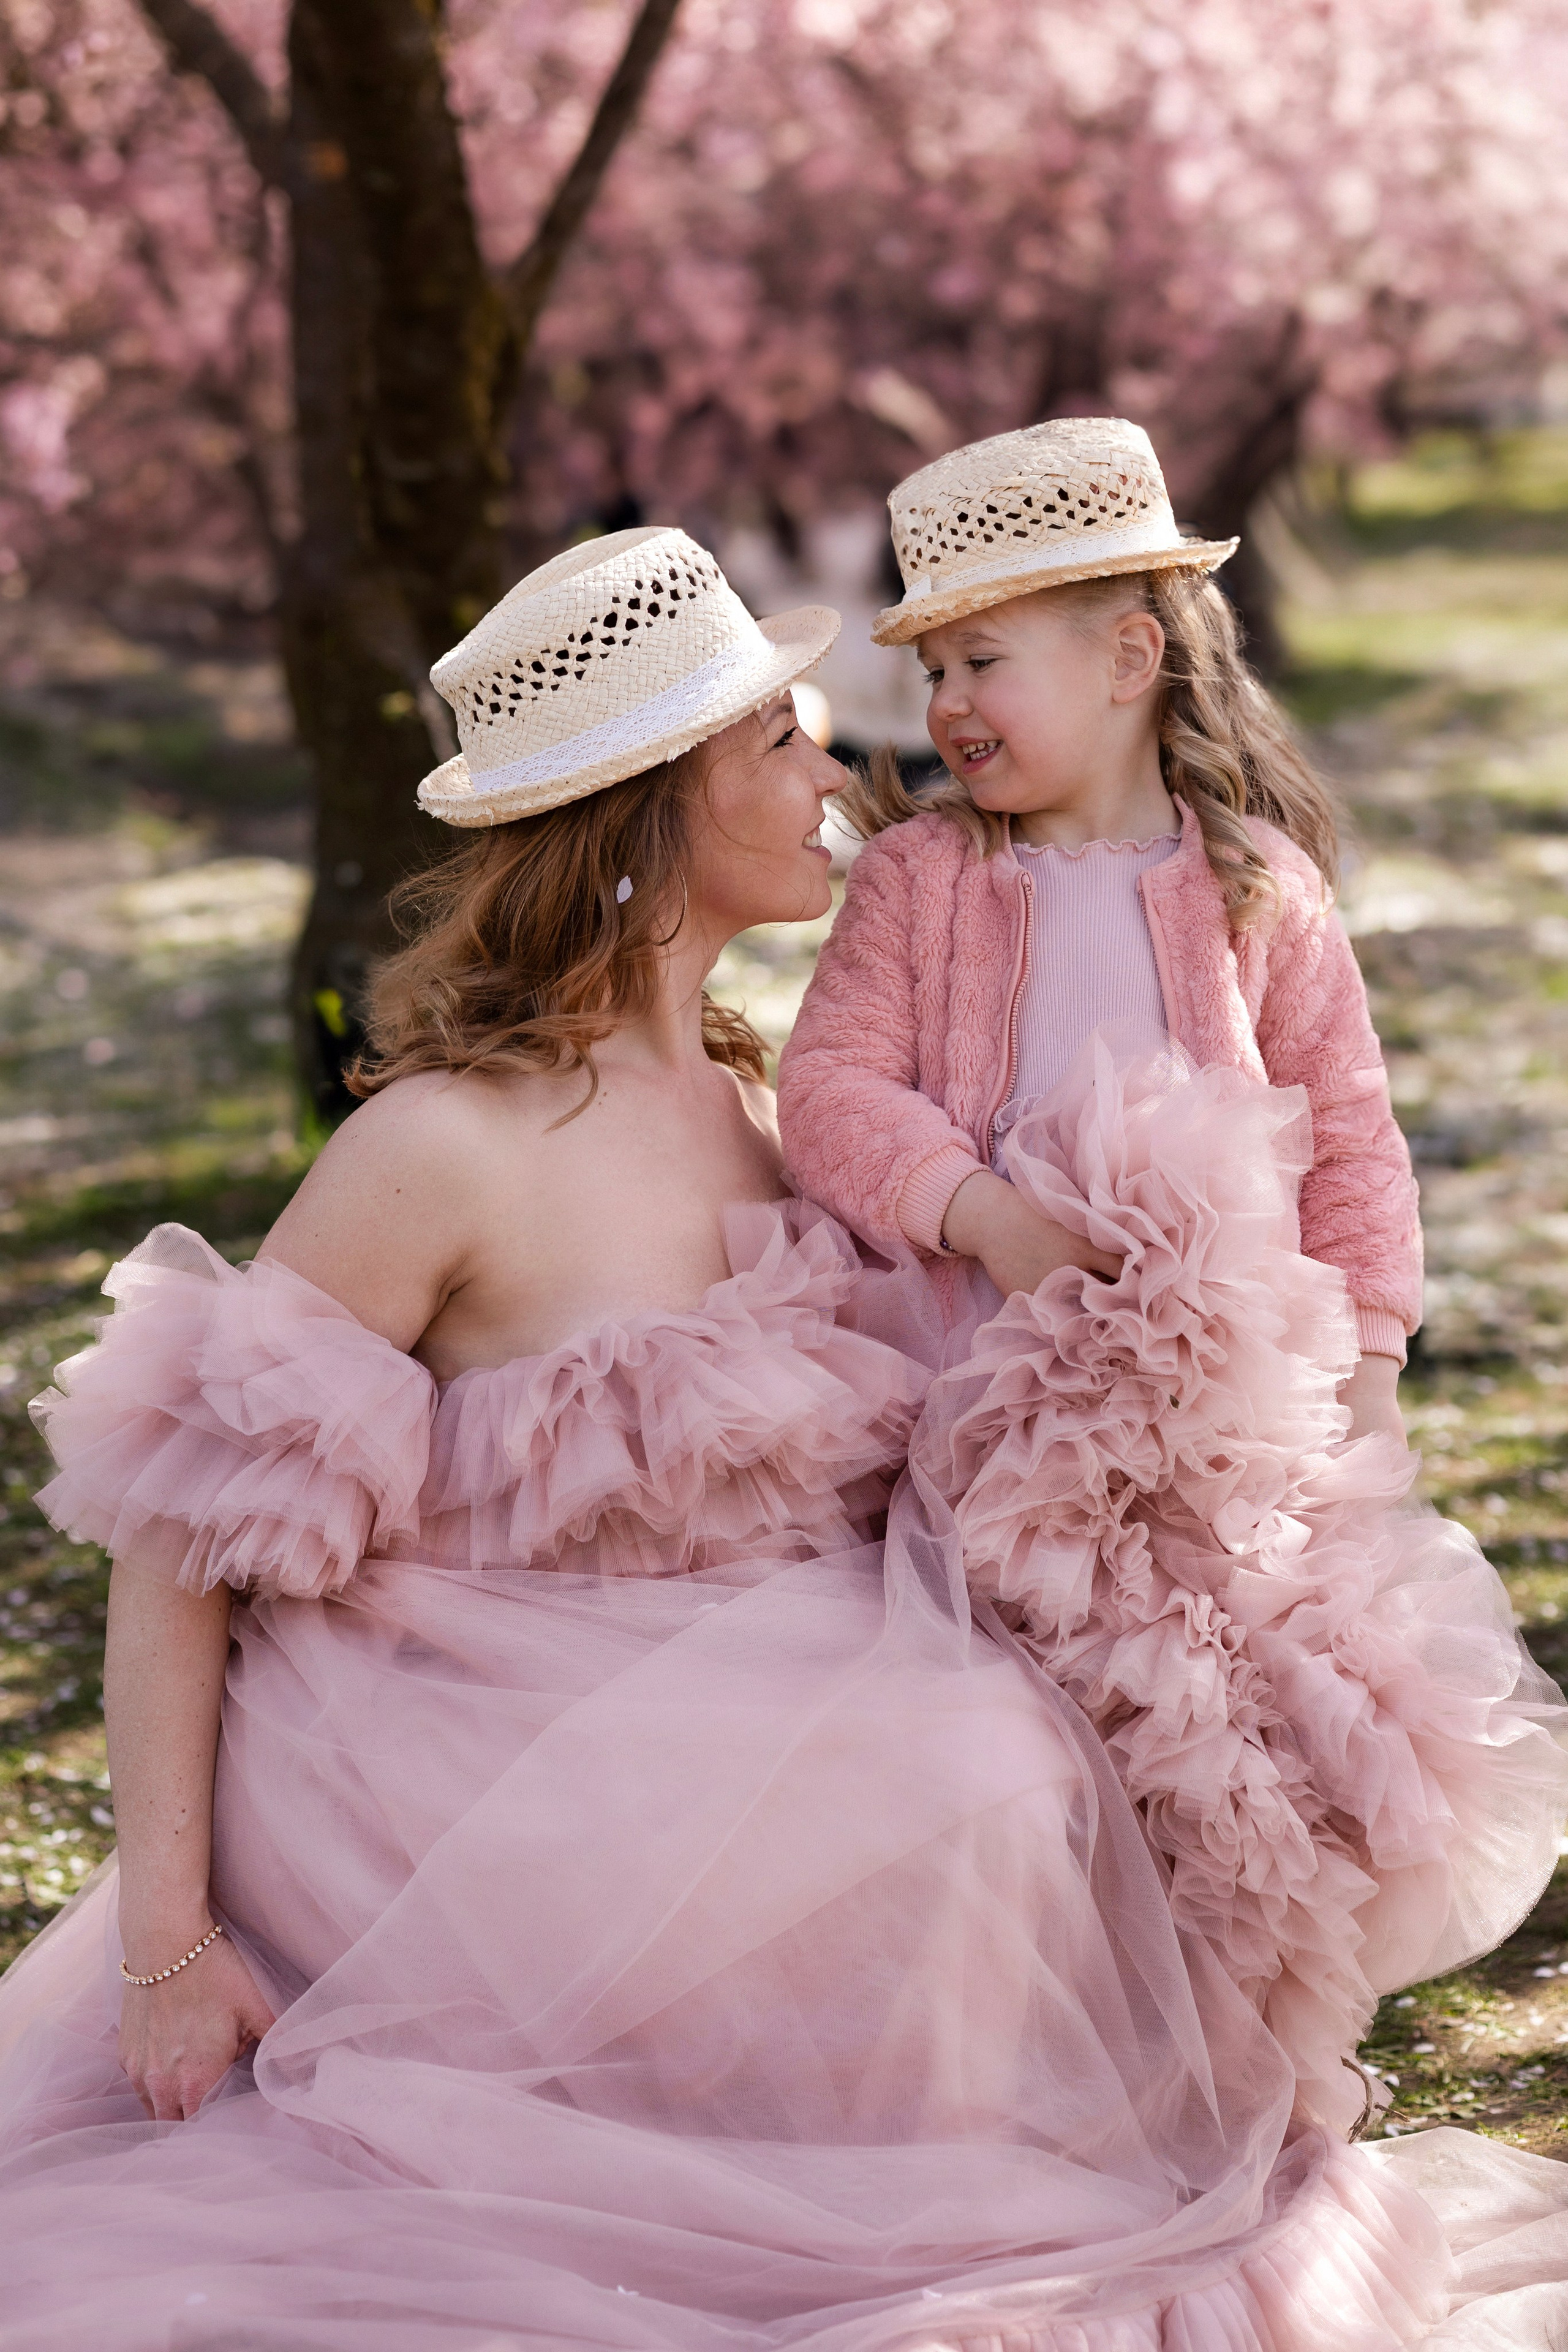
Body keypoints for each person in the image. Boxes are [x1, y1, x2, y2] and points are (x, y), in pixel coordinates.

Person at [0, 521, 1562, 2351]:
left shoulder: (758, 1098)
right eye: (782, 744)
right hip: (453, 1758)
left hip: (725, 1700)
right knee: (958, 1777)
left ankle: (966, 2190)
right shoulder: (447, 1144)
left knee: (1016, 1755)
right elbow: (176, 1549)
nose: (840, 774)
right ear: (655, 808)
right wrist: (168, 1948)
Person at [777, 420, 1568, 2125]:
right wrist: (979, 1211)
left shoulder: (1255, 894)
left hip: (1216, 1438)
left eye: (984, 659)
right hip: (969, 1417)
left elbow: (1349, 1149)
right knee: (1012, 1756)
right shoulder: (923, 881)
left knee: (1223, 1757)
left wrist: (1361, 1393)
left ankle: (1221, 2079)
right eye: (930, 672)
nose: (949, 710)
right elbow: (831, 1091)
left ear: (1130, 657)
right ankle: (1017, 2075)